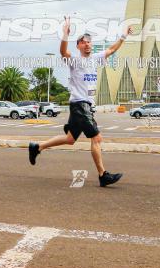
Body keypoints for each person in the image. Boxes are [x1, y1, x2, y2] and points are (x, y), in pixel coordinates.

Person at [29, 16, 132, 187]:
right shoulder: (75, 61)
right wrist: (65, 35)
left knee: (70, 139)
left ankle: (37, 147)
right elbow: (63, 52)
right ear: (78, 46)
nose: (87, 44)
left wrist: (123, 36)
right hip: (80, 104)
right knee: (97, 138)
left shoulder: (96, 58)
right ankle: (102, 175)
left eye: (89, 42)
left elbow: (112, 50)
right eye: (83, 42)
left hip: (85, 105)